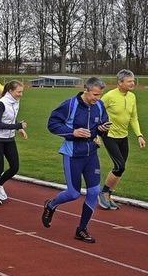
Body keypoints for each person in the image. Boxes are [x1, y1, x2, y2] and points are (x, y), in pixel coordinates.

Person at [41, 77, 110, 244]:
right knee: (73, 193)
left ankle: (82, 229)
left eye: (100, 95)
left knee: (94, 192)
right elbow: (52, 124)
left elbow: (103, 125)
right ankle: (51, 205)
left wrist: (102, 130)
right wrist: (73, 132)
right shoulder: (70, 105)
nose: (97, 98)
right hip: (73, 154)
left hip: (91, 154)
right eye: (95, 94)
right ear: (86, 90)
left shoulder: (99, 106)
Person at [98, 69, 145, 210]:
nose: (133, 83)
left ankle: (108, 195)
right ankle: (104, 193)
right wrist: (96, 132)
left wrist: (139, 135)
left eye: (133, 80)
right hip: (109, 135)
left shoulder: (132, 97)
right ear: (120, 82)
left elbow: (133, 117)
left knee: (120, 168)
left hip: (123, 136)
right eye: (129, 81)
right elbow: (96, 110)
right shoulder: (109, 96)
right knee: (120, 166)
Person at [0, 80, 28, 205]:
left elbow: (12, 119)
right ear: (10, 91)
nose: (21, 94)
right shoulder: (2, 103)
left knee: (15, 167)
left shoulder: (16, 101)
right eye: (19, 92)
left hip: (9, 139)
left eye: (22, 92)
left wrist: (19, 129)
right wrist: (17, 126)